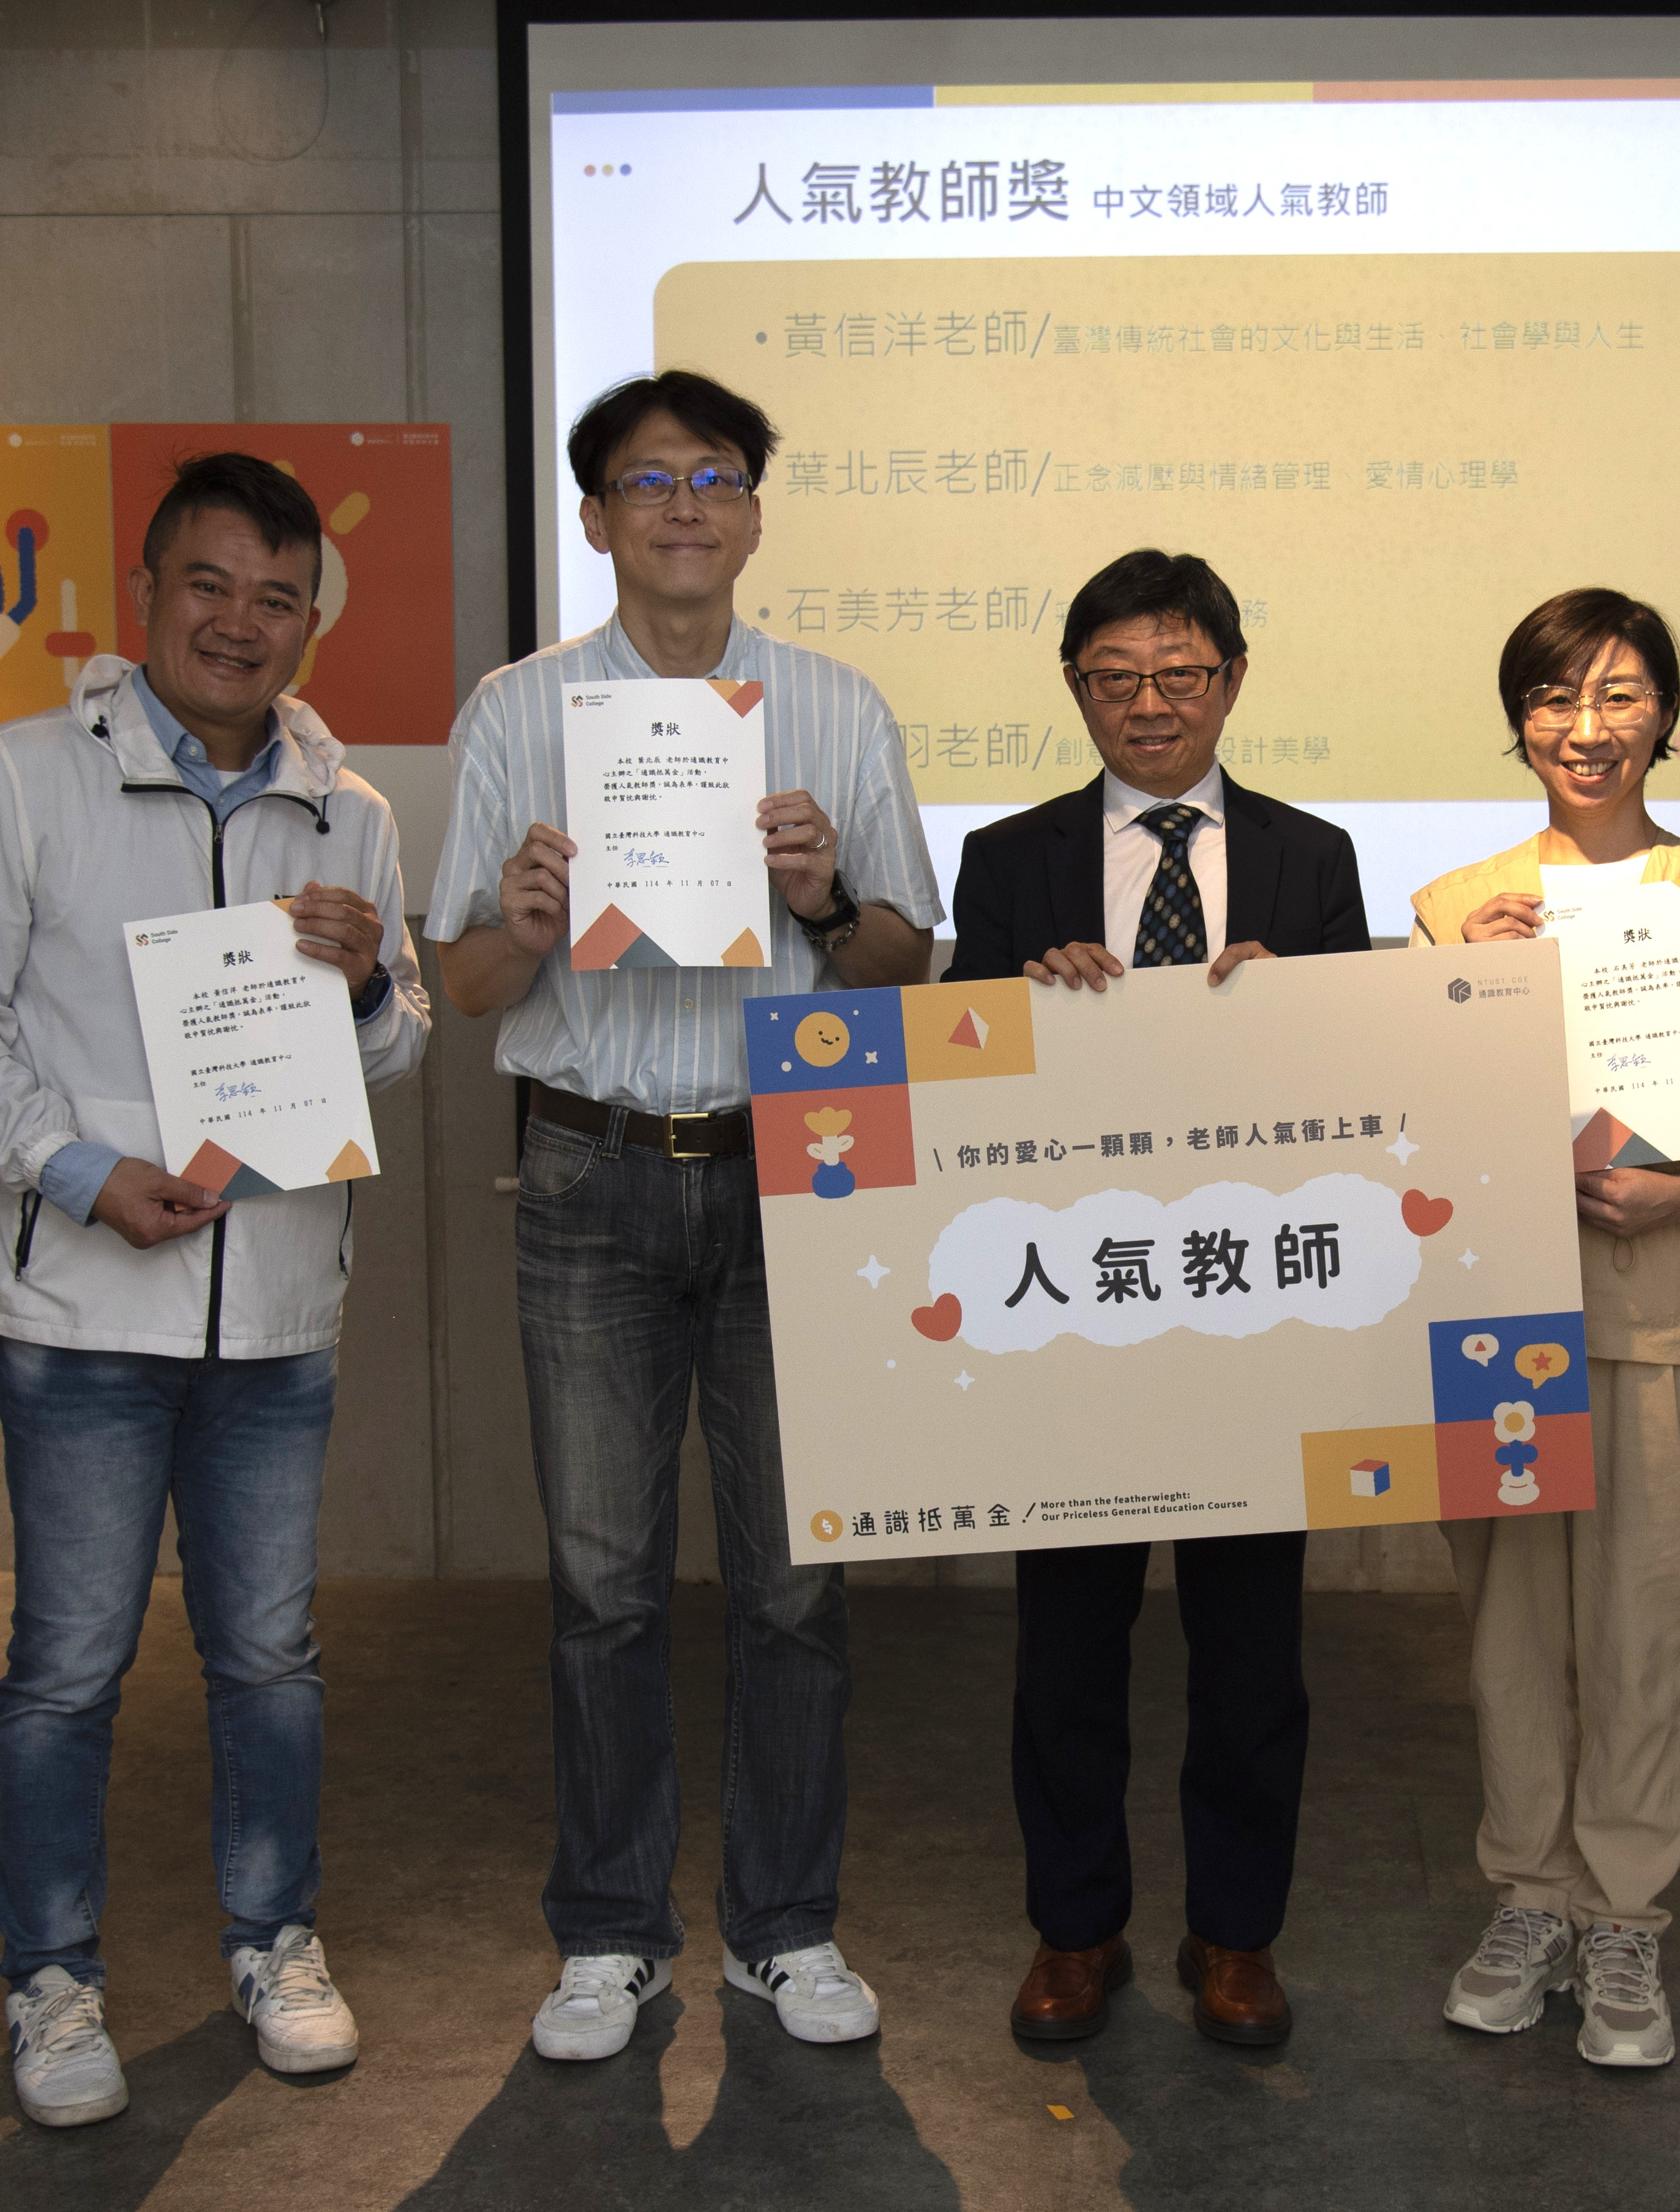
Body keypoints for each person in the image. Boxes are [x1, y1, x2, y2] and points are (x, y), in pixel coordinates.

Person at [0, 452, 432, 2128]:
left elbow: (399, 1037)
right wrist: (69, 1166)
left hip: (273, 1313)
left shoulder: (353, 806)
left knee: (269, 1654)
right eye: (210, 583)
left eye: (278, 594)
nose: (241, 622)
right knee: (67, 1662)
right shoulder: (21, 774)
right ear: (147, 594)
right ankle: (53, 1976)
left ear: (308, 615)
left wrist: (357, 996)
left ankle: (275, 1938)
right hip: (81, 1319)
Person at [422, 370, 942, 2064]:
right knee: (600, 1583)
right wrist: (522, 916)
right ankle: (611, 1931)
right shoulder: (516, 710)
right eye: (647, 481)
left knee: (796, 1584)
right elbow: (463, 983)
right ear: (594, 519)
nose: (685, 506)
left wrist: (823, 898)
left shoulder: (836, 706)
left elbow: (902, 968)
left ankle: (787, 1927)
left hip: (794, 1166)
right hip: (584, 1170)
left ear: (755, 511)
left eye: (715, 475)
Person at [946, 548, 1370, 2049]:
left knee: (1252, 1655)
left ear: (1232, 682)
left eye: (1180, 676)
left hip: (1253, 1314)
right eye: (1115, 679)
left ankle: (1234, 1935)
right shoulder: (1007, 861)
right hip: (1073, 1315)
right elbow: (955, 1094)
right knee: (1065, 1650)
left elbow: (1356, 1096)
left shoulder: (1314, 859)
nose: (1149, 705)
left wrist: (1295, 1009)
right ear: (1074, 690)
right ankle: (1075, 1931)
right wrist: (1014, 1002)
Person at [1404, 588, 1680, 2068]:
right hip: (1499, 1316)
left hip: (1664, 1305)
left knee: (1642, 1629)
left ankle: (1624, 1918)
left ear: (1665, 721)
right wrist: (1470, 986)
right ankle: (1527, 1897)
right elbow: (1418, 1127)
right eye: (1558, 696)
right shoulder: (1456, 904)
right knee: (1507, 1632)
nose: (1588, 725)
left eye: (1620, 694)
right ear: (1518, 721)